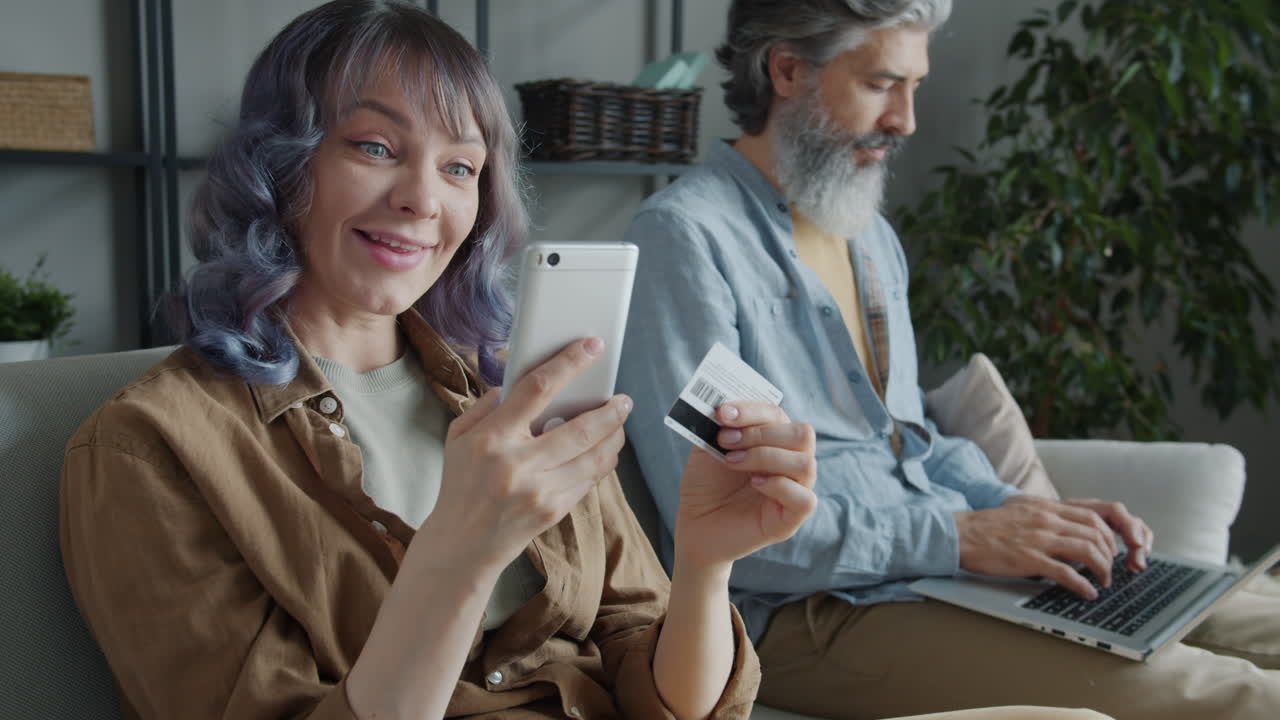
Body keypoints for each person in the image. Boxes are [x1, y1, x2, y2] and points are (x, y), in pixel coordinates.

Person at [58, 2, 824, 718]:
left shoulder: (511, 395)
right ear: (280, 162)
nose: (424, 200)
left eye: (460, 167)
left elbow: (654, 683)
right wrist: (464, 547)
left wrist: (702, 564)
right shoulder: (148, 449)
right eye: (376, 147)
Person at [616, 1, 1280, 718]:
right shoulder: (682, 240)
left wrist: (1028, 515)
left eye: (914, 87)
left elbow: (909, 445)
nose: (907, 119)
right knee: (1237, 697)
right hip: (807, 615)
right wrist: (960, 537)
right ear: (786, 70)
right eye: (880, 84)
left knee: (1258, 628)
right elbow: (726, 532)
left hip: (933, 572)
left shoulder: (866, 235)